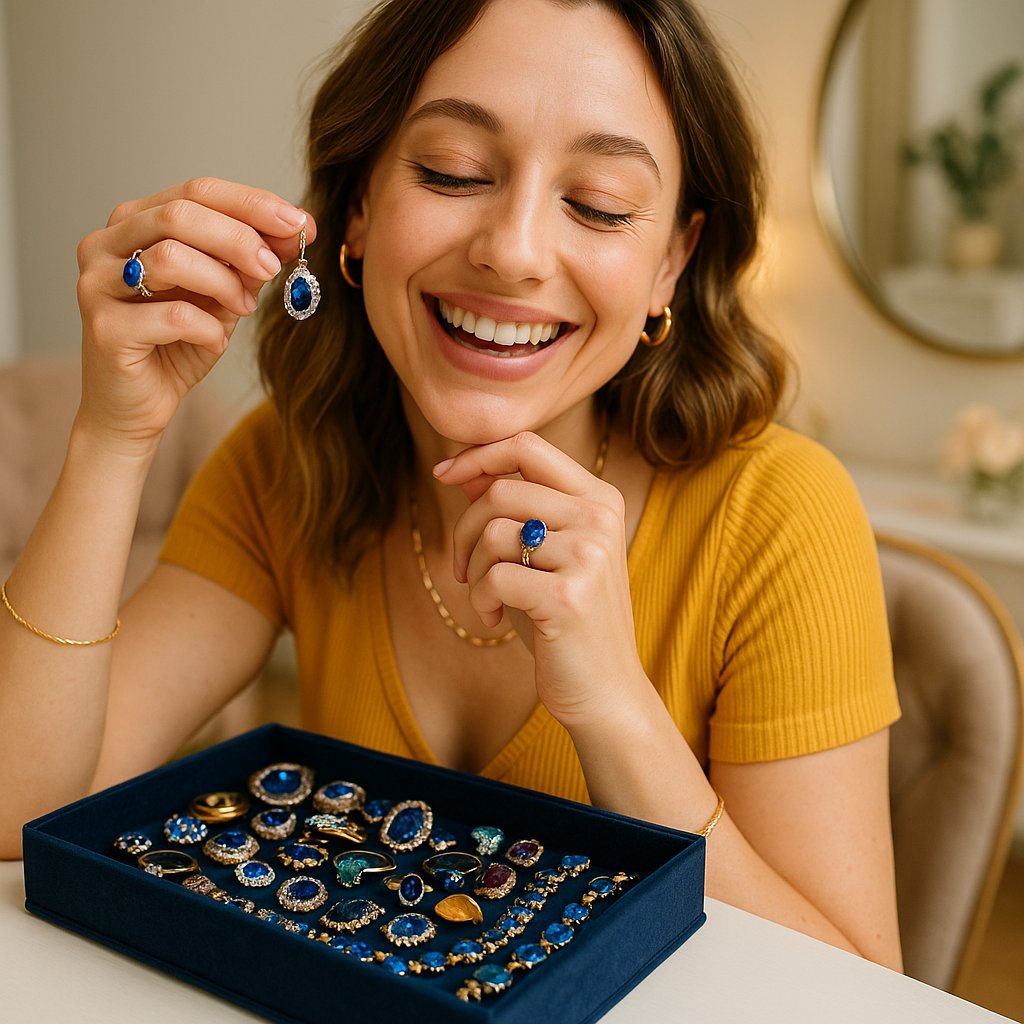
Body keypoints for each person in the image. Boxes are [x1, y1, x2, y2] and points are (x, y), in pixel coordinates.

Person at [0, 0, 902, 970]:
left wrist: (614, 710)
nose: (511, 251)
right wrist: (111, 434)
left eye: (596, 202)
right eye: (451, 173)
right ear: (358, 207)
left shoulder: (779, 511)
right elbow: (20, 814)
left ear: (669, 263)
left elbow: (854, 992)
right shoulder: (286, 461)